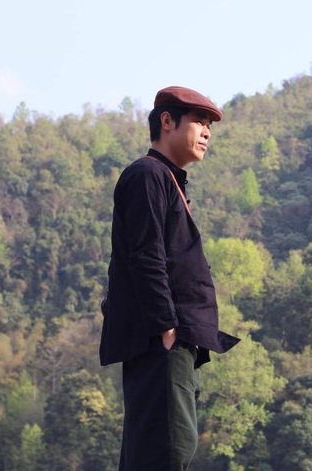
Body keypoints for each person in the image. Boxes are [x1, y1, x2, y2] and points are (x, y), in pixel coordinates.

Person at [100, 86, 240, 470]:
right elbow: (146, 256)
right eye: (199, 121)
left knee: (163, 448)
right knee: (167, 450)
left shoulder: (166, 179)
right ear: (167, 121)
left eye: (210, 125)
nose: (207, 131)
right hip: (162, 339)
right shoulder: (148, 174)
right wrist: (166, 327)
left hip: (174, 340)